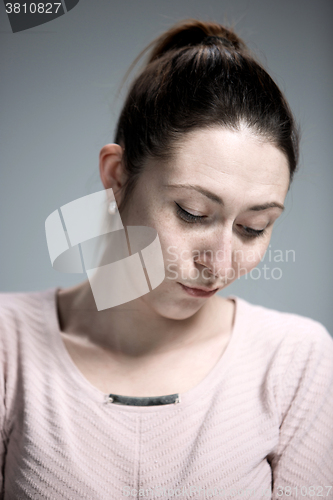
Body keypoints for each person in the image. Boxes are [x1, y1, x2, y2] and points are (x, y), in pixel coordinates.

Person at [1, 18, 332, 500]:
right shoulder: (9, 346)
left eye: (253, 227)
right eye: (192, 212)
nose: (219, 264)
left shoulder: (298, 363)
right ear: (117, 177)